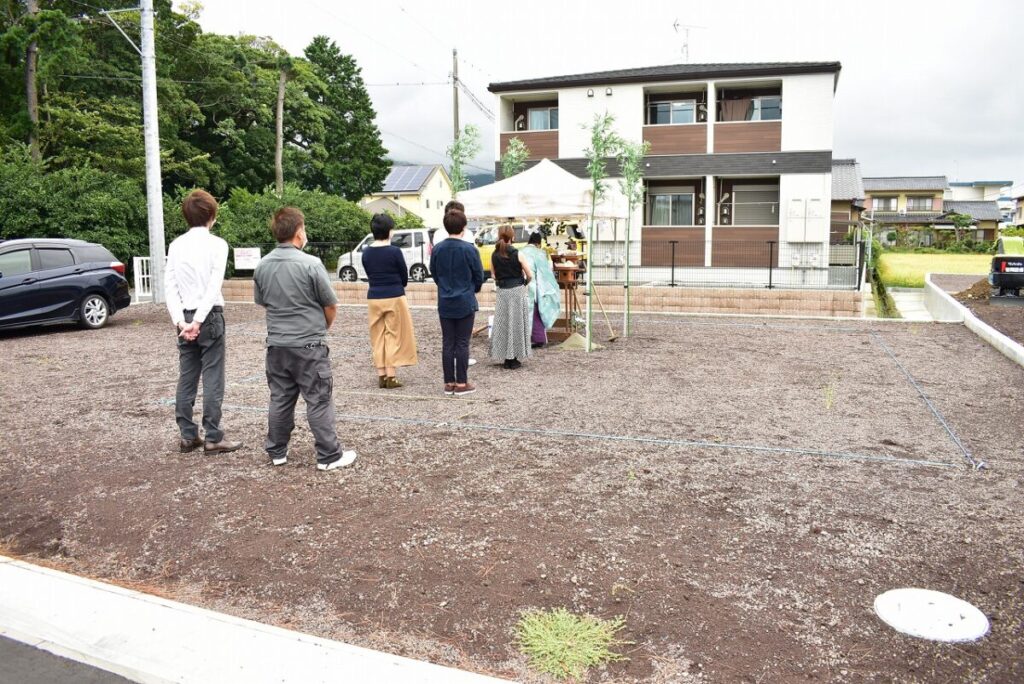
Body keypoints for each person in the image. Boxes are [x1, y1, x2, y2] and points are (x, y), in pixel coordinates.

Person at [253, 207, 357, 471]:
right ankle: (329, 455)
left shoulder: (262, 265)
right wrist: (322, 328)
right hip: (309, 345)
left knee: (280, 398)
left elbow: (263, 302)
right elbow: (330, 305)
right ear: (299, 232)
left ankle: (277, 451)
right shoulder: (311, 264)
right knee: (319, 399)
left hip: (277, 345)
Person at [164, 189, 242, 455]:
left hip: (184, 316)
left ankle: (187, 435)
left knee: (187, 376)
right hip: (209, 316)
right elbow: (213, 286)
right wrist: (198, 320)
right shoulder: (218, 244)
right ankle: (213, 436)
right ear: (211, 215)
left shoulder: (176, 245)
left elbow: (169, 286)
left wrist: (181, 322)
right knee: (212, 376)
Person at [429, 209, 484, 396]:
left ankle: (449, 382)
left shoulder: (437, 249)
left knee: (448, 342)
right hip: (465, 300)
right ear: (464, 227)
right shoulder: (469, 249)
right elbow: (479, 276)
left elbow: (434, 273)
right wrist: (472, 289)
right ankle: (462, 383)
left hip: (445, 300)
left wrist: (444, 287)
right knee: (462, 342)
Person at [362, 213, 418, 388]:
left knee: (377, 336)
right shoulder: (394, 251)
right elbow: (403, 275)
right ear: (389, 231)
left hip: (374, 297)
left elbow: (369, 274)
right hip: (394, 295)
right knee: (394, 335)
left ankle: (381, 374)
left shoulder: (366, 252)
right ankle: (391, 376)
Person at [489, 225, 534, 369]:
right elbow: (530, 274)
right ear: (512, 237)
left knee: (503, 323)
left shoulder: (494, 254)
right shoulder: (518, 253)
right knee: (517, 323)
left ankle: (505, 357)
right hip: (517, 290)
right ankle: (514, 357)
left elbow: (493, 275)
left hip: (503, 291)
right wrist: (524, 283)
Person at [520, 231, 560, 348]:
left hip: (520, 284)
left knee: (522, 312)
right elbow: (546, 273)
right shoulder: (539, 253)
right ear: (539, 243)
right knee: (537, 311)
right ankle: (538, 339)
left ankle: (523, 338)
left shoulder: (520, 251)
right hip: (534, 284)